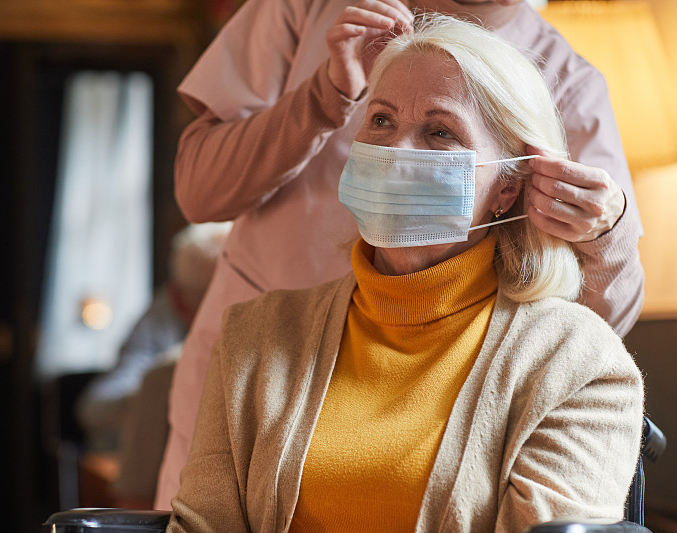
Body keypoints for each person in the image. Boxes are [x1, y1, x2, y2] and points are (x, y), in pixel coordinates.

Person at [157, 0, 645, 508]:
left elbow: (599, 328)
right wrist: (326, 95)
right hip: (268, 380)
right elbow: (197, 190)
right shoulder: (307, 9)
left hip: (452, 367)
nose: (398, 156)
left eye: (440, 133)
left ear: (509, 190)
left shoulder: (571, 80)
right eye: (381, 120)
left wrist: (606, 231)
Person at [75, 221, 231, 452]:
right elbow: (95, 409)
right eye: (211, 299)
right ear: (177, 299)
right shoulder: (161, 318)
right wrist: (162, 390)